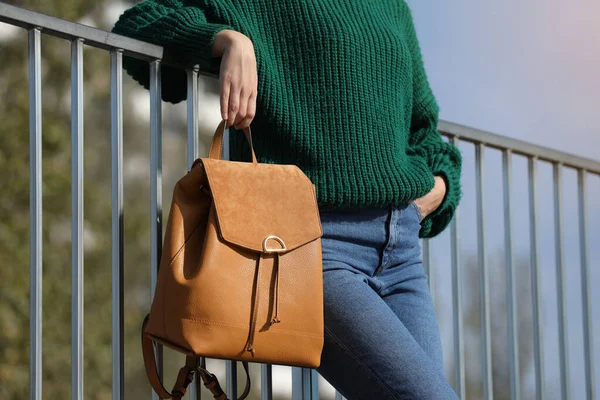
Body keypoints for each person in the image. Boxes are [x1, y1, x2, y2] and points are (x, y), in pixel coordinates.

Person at [113, 1, 461, 398]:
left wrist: (438, 189)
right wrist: (225, 40)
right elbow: (136, 25)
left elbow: (424, 131)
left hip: (402, 254)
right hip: (312, 249)